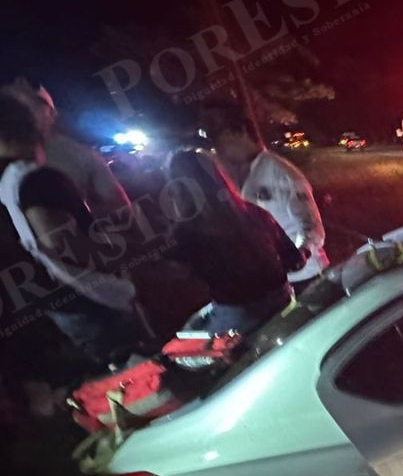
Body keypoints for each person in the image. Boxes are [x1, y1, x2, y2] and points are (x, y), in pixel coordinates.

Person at [0, 94, 141, 370]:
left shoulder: (9, 181)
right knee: (143, 374)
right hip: (99, 301)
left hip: (66, 304)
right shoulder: (39, 178)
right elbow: (59, 242)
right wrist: (123, 257)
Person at [163, 150, 302, 335]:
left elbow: (181, 284)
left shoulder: (185, 233)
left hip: (239, 317)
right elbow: (294, 260)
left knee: (188, 336)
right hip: (283, 301)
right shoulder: (254, 212)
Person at [200, 102, 328, 291]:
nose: (215, 147)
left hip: (305, 278)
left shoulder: (280, 173)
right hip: (269, 282)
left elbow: (311, 227)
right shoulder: (228, 173)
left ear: (239, 132)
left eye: (216, 137)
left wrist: (299, 254)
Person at [2, 79, 130, 218]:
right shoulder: (8, 160)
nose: (23, 116)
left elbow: (121, 208)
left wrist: (77, 216)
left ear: (51, 113)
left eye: (31, 107)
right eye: (14, 108)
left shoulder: (79, 156)